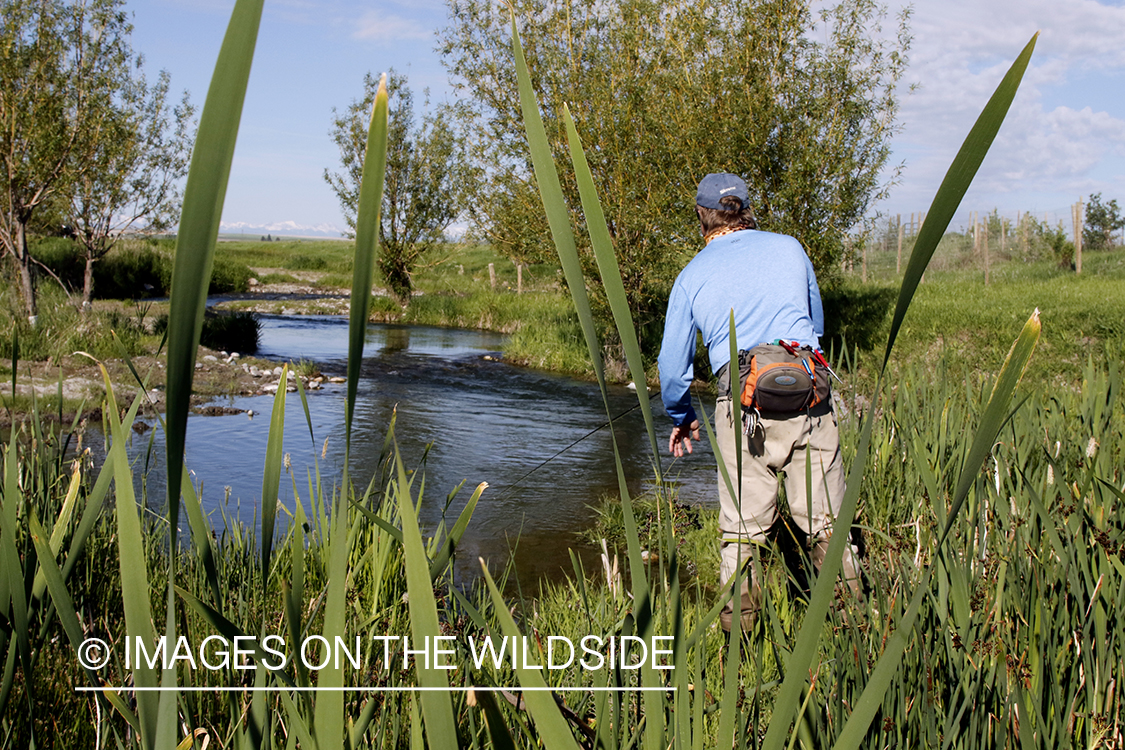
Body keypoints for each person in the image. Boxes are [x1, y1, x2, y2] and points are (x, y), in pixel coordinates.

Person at [657, 173, 860, 632]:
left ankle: (740, 646)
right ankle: (854, 631)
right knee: (828, 524)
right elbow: (816, 323)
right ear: (746, 209)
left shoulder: (691, 276)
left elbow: (672, 370)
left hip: (744, 406)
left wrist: (682, 415)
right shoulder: (790, 247)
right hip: (810, 393)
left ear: (702, 216)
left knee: (743, 533)